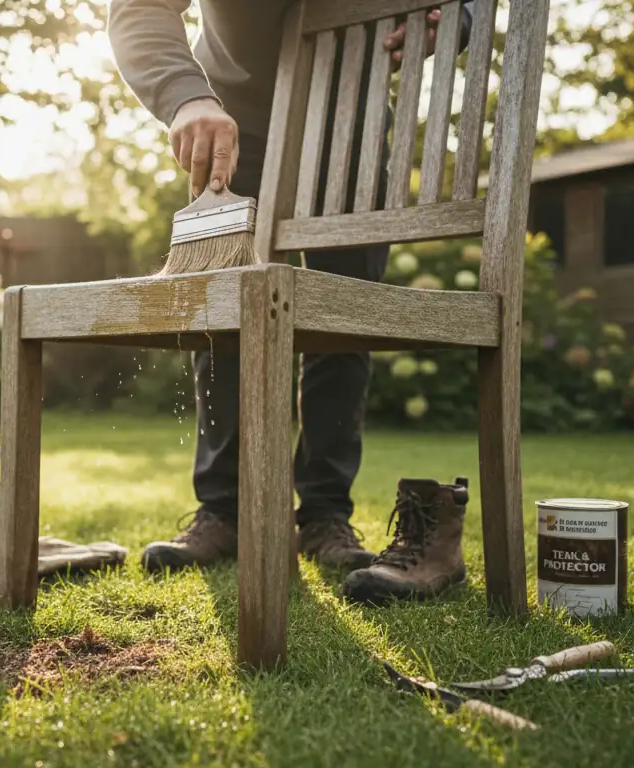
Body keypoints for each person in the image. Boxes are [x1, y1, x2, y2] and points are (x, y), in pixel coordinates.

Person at [107, 0, 475, 604]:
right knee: (222, 316)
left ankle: (325, 513)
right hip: (226, 117)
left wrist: (451, 21)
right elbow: (139, 9)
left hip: (349, 120)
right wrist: (185, 97)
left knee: (343, 318)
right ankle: (223, 509)